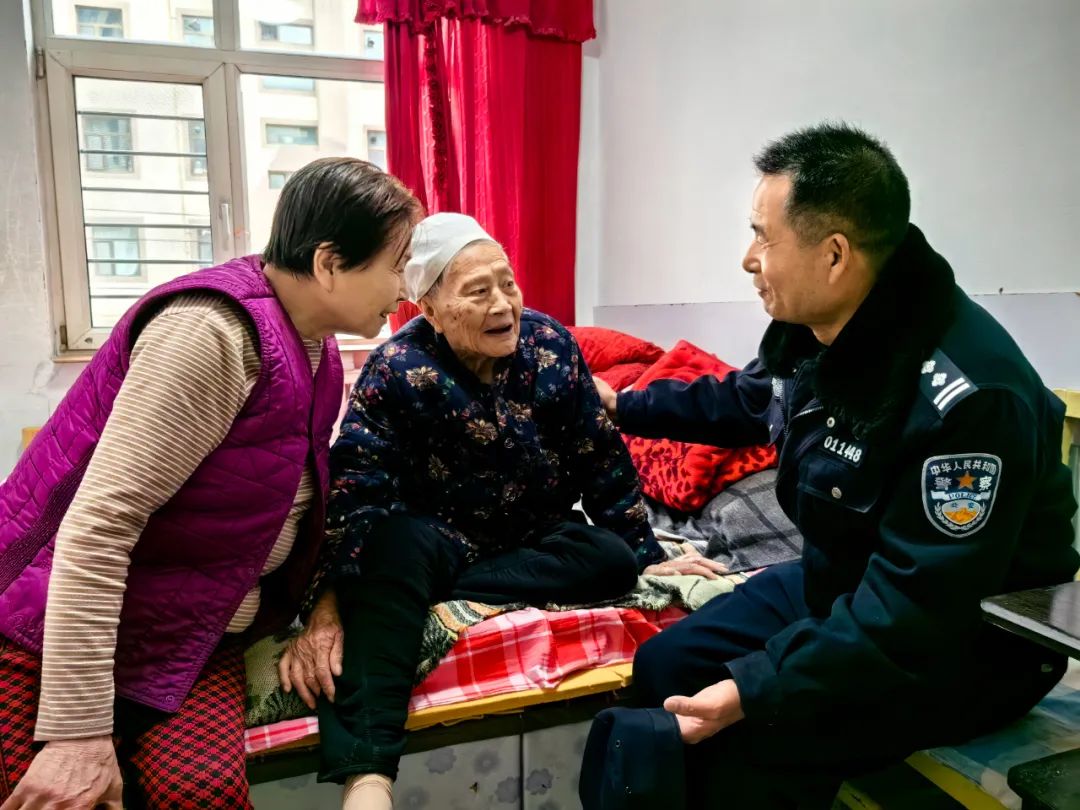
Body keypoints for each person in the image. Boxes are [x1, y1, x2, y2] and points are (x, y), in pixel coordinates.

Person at [587, 124, 1079, 808]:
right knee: (666, 664)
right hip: (845, 582)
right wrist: (624, 406)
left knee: (745, 736)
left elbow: (914, 613)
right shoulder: (824, 328)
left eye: (763, 237)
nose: (748, 259)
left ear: (835, 254)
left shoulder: (968, 398)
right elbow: (750, 397)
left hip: (962, 647)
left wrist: (755, 688)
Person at [0, 157, 421, 809]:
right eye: (398, 264)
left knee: (203, 794)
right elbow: (98, 527)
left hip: (186, 634)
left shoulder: (317, 348)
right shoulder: (212, 334)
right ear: (330, 263)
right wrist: (78, 732)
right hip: (52, 630)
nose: (405, 287)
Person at [280, 212, 725, 810]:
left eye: (507, 283)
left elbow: (599, 455)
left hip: (530, 532)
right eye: (477, 291)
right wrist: (327, 598)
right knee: (385, 554)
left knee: (613, 561)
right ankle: (368, 775)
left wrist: (647, 553)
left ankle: (427, 588)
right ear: (430, 309)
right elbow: (355, 484)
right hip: (433, 533)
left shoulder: (550, 346)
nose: (503, 304)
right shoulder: (396, 370)